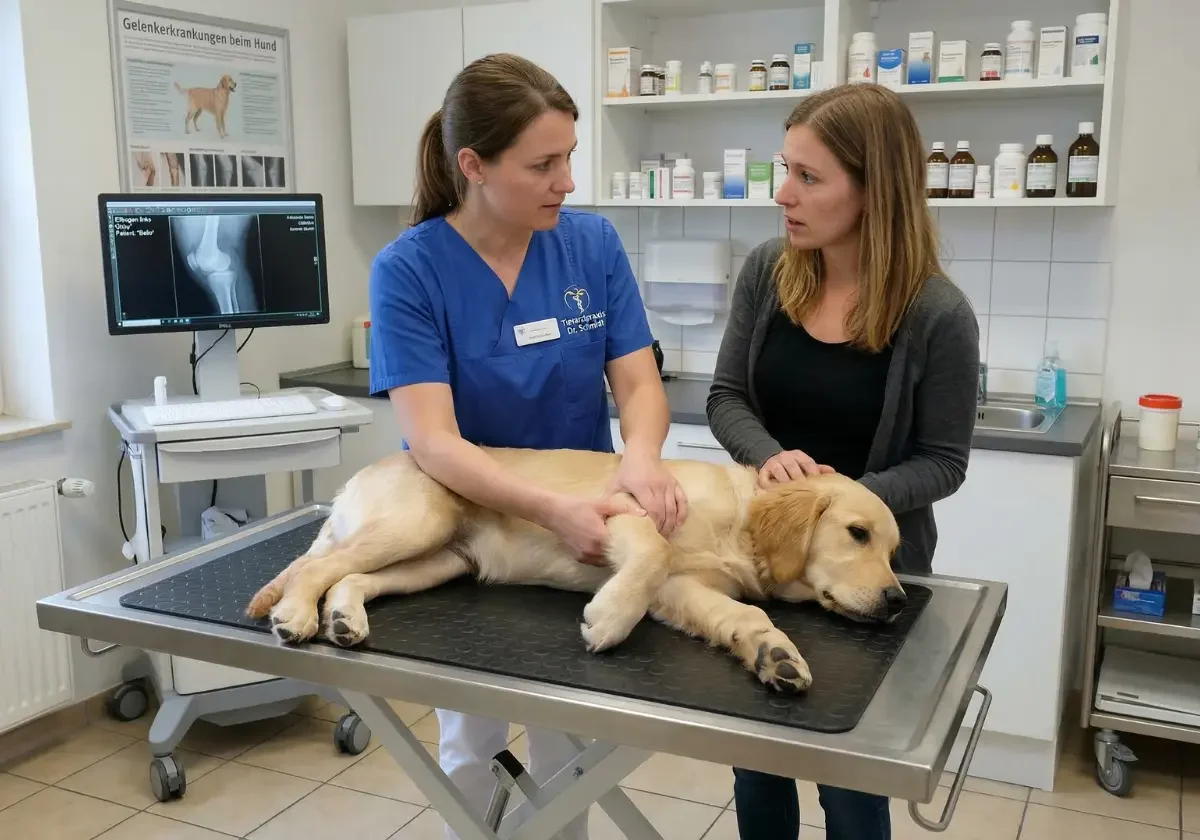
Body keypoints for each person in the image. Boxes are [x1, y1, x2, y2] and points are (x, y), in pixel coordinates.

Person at [367, 53, 688, 840]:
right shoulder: (409, 270)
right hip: (472, 531)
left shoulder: (591, 246)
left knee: (569, 747)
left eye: (569, 157)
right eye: (543, 164)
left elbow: (640, 386)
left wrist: (640, 457)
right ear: (472, 165)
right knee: (471, 742)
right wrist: (551, 509)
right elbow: (433, 443)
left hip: (583, 535)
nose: (567, 181)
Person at [706, 83, 980, 840]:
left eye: (809, 177)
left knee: (853, 784)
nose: (783, 195)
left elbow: (944, 462)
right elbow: (727, 398)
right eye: (783, 169)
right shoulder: (770, 271)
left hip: (869, 574)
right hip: (765, 557)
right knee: (757, 761)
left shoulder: (936, 315)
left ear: (873, 190)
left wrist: (841, 502)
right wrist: (771, 462)